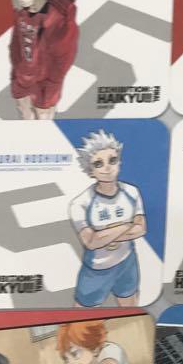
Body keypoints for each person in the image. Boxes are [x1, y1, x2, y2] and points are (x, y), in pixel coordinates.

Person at [68, 129, 146, 307]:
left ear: (119, 161)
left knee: (131, 313)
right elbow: (91, 242)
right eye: (98, 164)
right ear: (90, 170)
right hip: (96, 270)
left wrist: (105, 234)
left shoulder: (131, 191)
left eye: (112, 160)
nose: (107, 168)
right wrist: (126, 225)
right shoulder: (80, 203)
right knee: (80, 320)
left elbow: (141, 228)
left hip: (127, 262)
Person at [8, 0, 78, 120]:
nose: (23, 0)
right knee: (23, 109)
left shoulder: (58, 21)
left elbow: (64, 56)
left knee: (44, 114)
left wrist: (53, 83)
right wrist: (17, 69)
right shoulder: (22, 12)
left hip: (46, 80)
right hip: (23, 73)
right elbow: (16, 42)